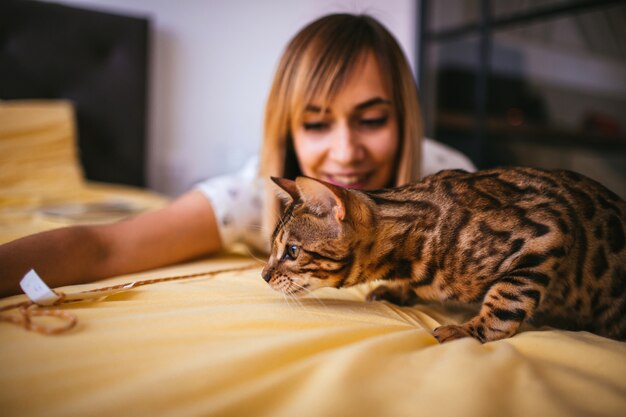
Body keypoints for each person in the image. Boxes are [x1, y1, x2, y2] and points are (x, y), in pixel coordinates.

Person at [0, 13, 474, 297]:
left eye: (371, 120)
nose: (346, 151)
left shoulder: (451, 187)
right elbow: (107, 246)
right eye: (315, 123)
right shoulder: (253, 200)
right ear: (288, 131)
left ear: (406, 122)